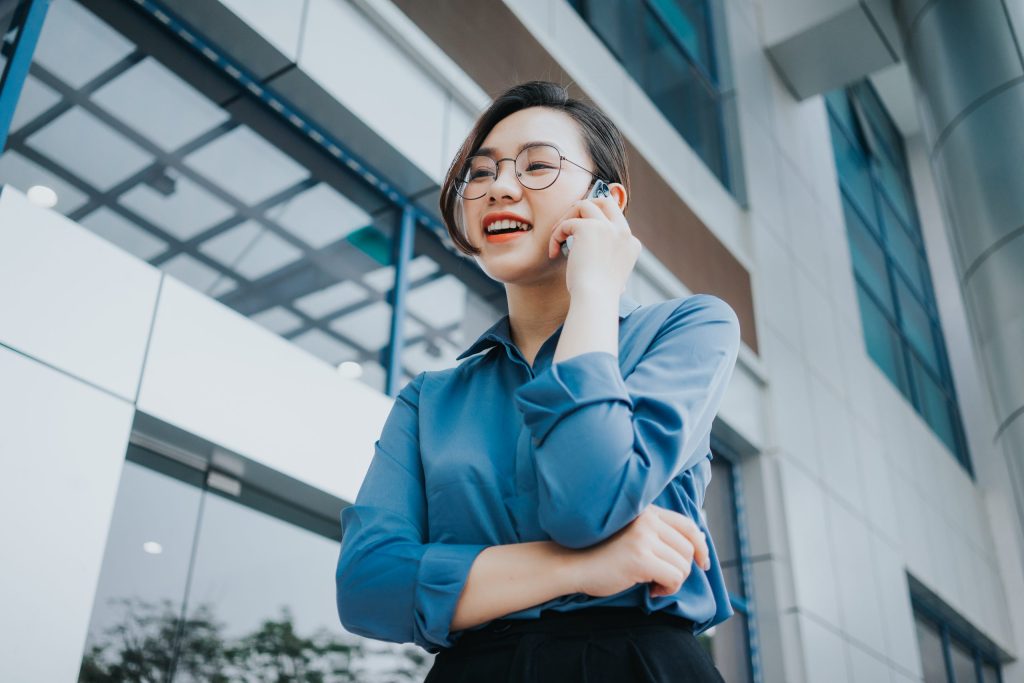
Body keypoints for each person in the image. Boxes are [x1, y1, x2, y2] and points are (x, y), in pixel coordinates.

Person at [335, 80, 740, 682]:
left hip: (640, 666)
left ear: (607, 199)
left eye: (538, 165)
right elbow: (368, 587)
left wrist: (595, 294)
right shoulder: (429, 400)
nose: (499, 185)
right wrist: (577, 568)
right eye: (481, 172)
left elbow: (589, 502)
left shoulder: (688, 327)